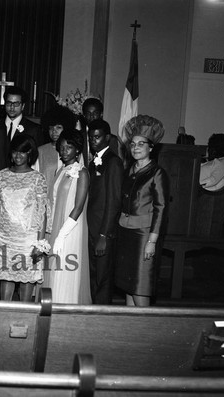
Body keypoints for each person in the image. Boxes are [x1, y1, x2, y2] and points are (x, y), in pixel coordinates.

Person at [115, 115, 169, 307]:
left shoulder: (157, 173)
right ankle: (129, 329)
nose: (135, 148)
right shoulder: (129, 170)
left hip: (144, 236)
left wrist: (151, 242)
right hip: (126, 234)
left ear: (151, 147)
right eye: (132, 144)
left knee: (140, 287)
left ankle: (145, 330)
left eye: (141, 144)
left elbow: (161, 208)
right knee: (128, 286)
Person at [0, 134, 49, 301]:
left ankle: (25, 320)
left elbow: (42, 212)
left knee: (26, 281)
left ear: (30, 154)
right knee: (6, 280)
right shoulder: (2, 175)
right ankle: (4, 318)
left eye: (23, 152)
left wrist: (40, 244)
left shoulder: (37, 178)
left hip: (27, 241)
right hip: (4, 239)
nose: (18, 156)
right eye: (15, 151)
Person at [44, 129, 91, 304]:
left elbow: (78, 207)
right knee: (55, 271)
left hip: (70, 229)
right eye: (61, 147)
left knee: (65, 270)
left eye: (68, 147)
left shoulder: (82, 172)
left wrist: (61, 236)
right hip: (57, 226)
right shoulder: (61, 170)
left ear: (77, 150)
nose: (64, 151)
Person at [86, 119, 123, 304]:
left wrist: (103, 235)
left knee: (103, 279)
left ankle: (102, 318)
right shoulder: (93, 162)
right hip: (92, 229)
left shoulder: (114, 162)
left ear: (107, 138)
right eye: (91, 137)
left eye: (97, 137)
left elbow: (114, 201)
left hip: (103, 231)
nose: (93, 140)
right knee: (94, 276)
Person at [0, 86, 45, 168]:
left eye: (16, 104)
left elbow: (37, 158)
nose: (12, 107)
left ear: (23, 106)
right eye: (9, 103)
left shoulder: (33, 129)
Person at [34, 105, 75, 190]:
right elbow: (35, 178)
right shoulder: (41, 151)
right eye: (51, 128)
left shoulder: (74, 151)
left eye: (58, 127)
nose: (54, 131)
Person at [79, 97, 121, 165]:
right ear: (84, 115)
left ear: (101, 114)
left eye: (95, 113)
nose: (92, 117)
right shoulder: (79, 136)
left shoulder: (111, 139)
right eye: (88, 114)